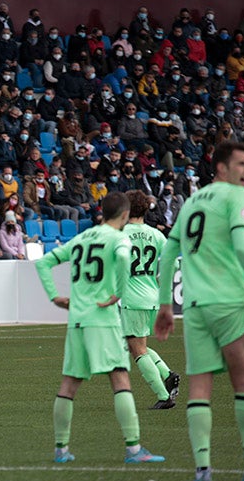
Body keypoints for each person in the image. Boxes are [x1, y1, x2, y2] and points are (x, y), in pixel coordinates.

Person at [155, 141, 244, 481]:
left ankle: (203, 472)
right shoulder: (236, 196)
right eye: (240, 164)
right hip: (228, 302)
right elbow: (242, 246)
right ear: (221, 168)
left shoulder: (191, 201)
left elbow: (168, 254)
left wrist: (166, 304)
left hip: (193, 306)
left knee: (199, 387)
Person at [35, 191, 165, 465]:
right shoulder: (118, 238)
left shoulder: (83, 237)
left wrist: (54, 296)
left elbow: (45, 262)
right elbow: (122, 258)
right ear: (125, 215)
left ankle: (61, 449)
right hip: (102, 319)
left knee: (69, 384)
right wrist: (117, 292)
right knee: (120, 379)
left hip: (77, 320)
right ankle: (133, 449)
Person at [121, 190, 181, 410]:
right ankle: (167, 374)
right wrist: (156, 277)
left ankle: (164, 396)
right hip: (151, 294)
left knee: (137, 349)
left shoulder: (121, 233)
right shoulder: (155, 234)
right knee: (138, 345)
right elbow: (173, 262)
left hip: (132, 297)